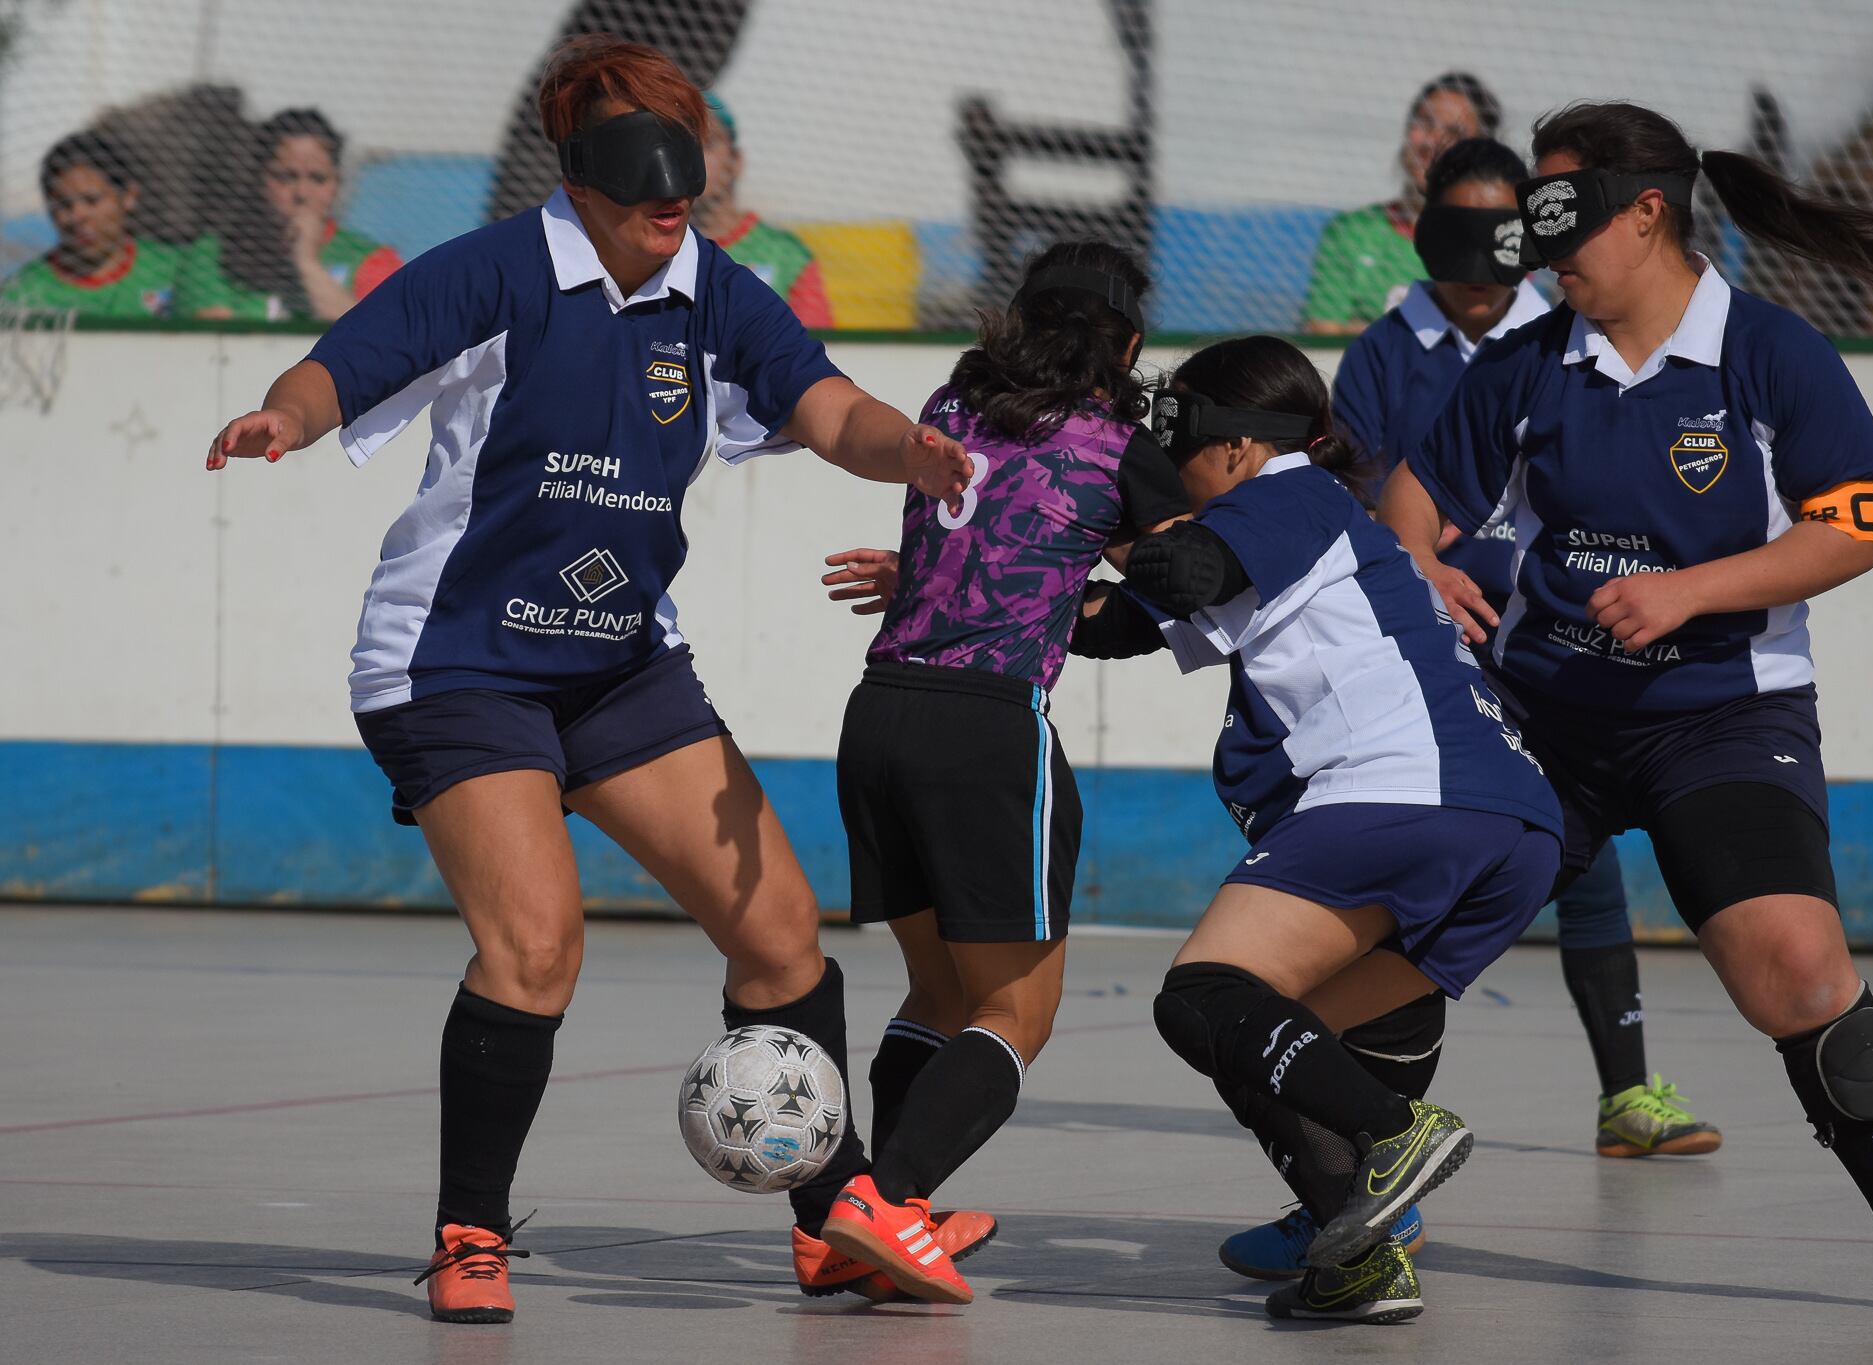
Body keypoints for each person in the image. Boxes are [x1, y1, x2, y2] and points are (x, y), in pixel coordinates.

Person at [202, 34, 986, 1326]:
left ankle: (833, 1223)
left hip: (621, 662)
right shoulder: (499, 270)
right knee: (536, 946)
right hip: (458, 663)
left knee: (783, 935)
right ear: (582, 174)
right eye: (644, 171)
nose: (672, 198)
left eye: (686, 169)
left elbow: (829, 408)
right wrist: (285, 417)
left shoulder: (713, 289)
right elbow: (345, 362)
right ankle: (469, 1232)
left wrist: (913, 453)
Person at [1378, 100, 1873, 1317]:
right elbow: (1411, 490)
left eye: (1565, 220)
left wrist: (1687, 593)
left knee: (1796, 967)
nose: (1545, 252)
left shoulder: (1768, 354)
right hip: (1545, 719)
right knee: (1393, 943)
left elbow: (1847, 532)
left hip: (1721, 715)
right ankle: (1351, 1200)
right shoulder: (1528, 360)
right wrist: (1424, 570)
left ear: (1645, 212)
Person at [1219, 134, 1723, 1283]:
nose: (1492, 265)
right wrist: (1418, 568)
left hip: (1535, 641)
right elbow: (1355, 500)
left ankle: (1621, 1087)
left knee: (1566, 860)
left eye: (1516, 235)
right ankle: (1358, 1182)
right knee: (1408, 925)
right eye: (1468, 235)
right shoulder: (1389, 355)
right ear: (1423, 234)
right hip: (1422, 651)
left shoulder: (1569, 343)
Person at [1068, 334, 1563, 1323]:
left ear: (1243, 446)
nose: (1175, 463)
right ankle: (1356, 1249)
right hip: (1508, 823)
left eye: (1181, 439)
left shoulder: (1288, 494)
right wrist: (965, 575)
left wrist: (1099, 454)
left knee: (1204, 998)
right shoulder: (1292, 531)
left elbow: (1175, 563)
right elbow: (1120, 620)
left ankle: (1394, 1137)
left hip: (1404, 791)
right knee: (1258, 1041)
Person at [811, 242, 1185, 1304]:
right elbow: (1194, 575)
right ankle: (883, 1198)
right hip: (985, 733)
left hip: (878, 714)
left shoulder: (948, 406)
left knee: (934, 989)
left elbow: (991, 536)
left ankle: (882, 1221)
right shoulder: (1116, 444)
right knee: (1016, 1013)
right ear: (1125, 342)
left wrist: (934, 578)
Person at [1302, 72, 1499, 335]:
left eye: (1453, 132)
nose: (1432, 142)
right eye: (1426, 123)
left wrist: (1363, 330)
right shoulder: (1351, 232)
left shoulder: (1498, 242)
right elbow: (1321, 332)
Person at [179, 109, 402, 322]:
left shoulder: (370, 258)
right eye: (286, 177)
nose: (302, 194)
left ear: (337, 184)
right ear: (259, 179)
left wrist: (307, 263)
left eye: (318, 179)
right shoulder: (213, 254)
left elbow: (377, 340)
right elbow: (219, 347)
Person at [1, 132, 182, 319]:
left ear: (129, 196)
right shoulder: (20, 295)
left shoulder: (179, 272)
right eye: (63, 204)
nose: (77, 215)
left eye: (92, 200)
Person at [693, 92, 834, 328]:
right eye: (680, 146)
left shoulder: (787, 257)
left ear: (735, 162)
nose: (692, 156)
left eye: (707, 144)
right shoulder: (651, 253)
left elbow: (818, 350)